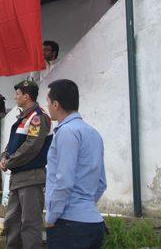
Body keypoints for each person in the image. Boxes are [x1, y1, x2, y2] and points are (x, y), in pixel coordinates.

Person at [45, 79, 107, 249]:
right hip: (93, 223)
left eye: (48, 102)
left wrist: (52, 216)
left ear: (56, 104)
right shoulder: (94, 133)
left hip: (68, 224)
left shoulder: (67, 132)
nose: (48, 106)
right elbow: (101, 183)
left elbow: (64, 180)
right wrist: (85, 205)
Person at [0, 80, 53, 249]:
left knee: (30, 224)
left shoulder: (38, 117)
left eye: (17, 94)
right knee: (12, 221)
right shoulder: (24, 117)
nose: (15, 97)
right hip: (18, 178)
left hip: (31, 177)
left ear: (26, 96)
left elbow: (32, 146)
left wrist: (9, 161)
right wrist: (4, 156)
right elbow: (12, 144)